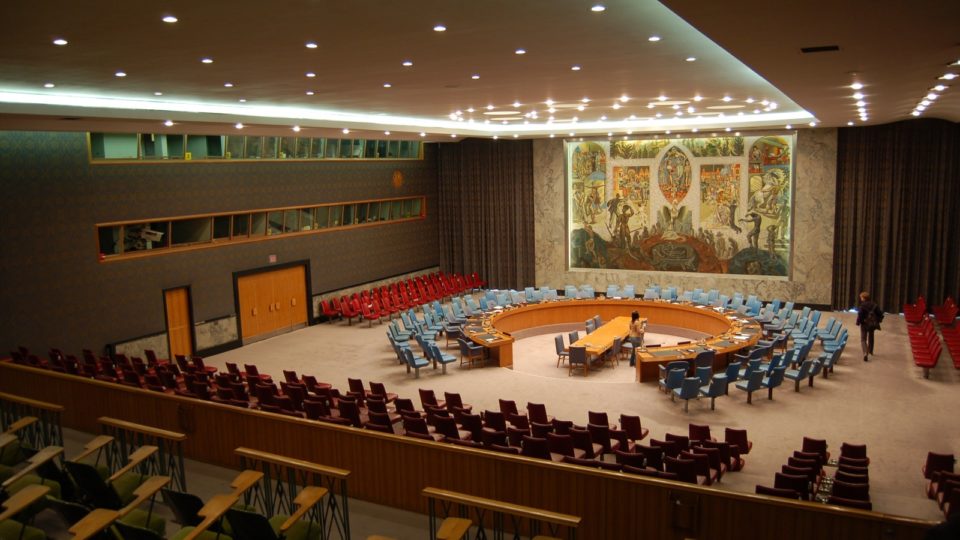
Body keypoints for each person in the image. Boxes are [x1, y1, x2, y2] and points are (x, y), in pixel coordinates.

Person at [855, 291, 883, 362]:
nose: (860, 299)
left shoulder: (862, 306)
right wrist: (877, 321)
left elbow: (860, 315)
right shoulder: (874, 305)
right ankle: (870, 351)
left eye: (861, 297)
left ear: (864, 298)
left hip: (864, 324)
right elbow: (880, 314)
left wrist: (858, 322)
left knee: (863, 339)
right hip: (872, 324)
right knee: (871, 337)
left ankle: (865, 352)